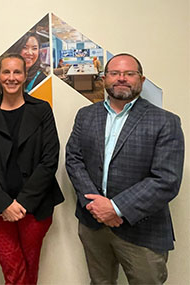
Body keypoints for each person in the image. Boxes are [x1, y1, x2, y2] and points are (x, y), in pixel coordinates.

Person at [65, 53, 184, 284]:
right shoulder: (86, 115)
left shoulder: (165, 121)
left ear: (141, 79)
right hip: (94, 224)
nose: (122, 78)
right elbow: (73, 159)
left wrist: (116, 208)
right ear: (104, 78)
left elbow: (166, 179)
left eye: (129, 74)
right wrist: (97, 205)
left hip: (142, 228)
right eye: (115, 73)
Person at [0, 53, 64, 284]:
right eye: (6, 72)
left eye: (17, 72)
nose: (11, 77)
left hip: (35, 206)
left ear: (25, 76)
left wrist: (22, 202)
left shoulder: (41, 109)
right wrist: (5, 203)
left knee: (30, 267)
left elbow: (49, 159)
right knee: (14, 270)